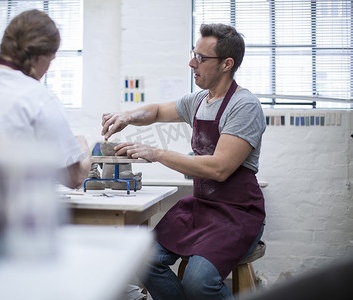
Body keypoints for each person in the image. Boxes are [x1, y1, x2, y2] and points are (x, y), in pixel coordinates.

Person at [101, 23, 266, 300]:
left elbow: (219, 168)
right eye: (194, 54)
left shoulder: (244, 106)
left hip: (237, 213)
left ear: (227, 64)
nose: (192, 63)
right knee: (143, 259)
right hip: (202, 207)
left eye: (201, 58)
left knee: (198, 282)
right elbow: (154, 111)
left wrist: (156, 153)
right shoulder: (200, 100)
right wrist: (127, 115)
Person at [0, 9, 90, 189]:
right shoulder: (39, 98)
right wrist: (82, 147)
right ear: (40, 57)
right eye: (51, 60)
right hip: (14, 212)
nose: (48, 69)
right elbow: (74, 178)